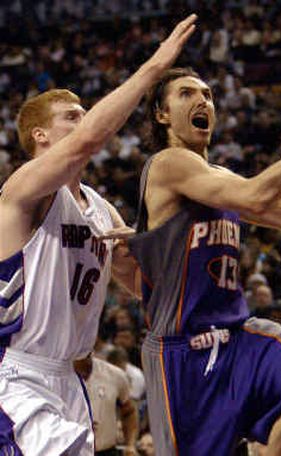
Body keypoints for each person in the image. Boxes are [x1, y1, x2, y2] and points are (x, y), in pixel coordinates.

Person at [107, 68, 281, 455]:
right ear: (162, 115)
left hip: (235, 336)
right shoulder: (168, 164)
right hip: (183, 351)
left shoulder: (220, 177)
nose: (203, 101)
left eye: (209, 94)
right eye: (186, 94)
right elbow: (257, 196)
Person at [0, 14, 197, 455]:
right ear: (41, 136)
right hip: (16, 375)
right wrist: (154, 68)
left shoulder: (101, 209)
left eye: (85, 115)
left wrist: (155, 248)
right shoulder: (24, 189)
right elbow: (89, 140)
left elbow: (143, 291)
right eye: (72, 117)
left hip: (71, 379)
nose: (85, 121)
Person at [74, 354, 137, 456]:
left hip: (107, 451)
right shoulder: (55, 376)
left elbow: (129, 412)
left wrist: (130, 444)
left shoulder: (115, 374)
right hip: (72, 451)